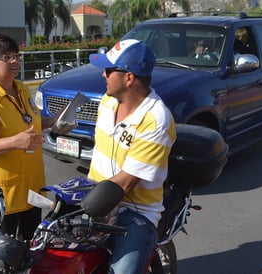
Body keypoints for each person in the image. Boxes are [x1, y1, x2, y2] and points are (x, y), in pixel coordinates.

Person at [88, 39, 176, 274]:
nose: (103, 75)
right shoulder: (108, 102)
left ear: (129, 78)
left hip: (134, 211)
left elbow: (126, 182)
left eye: (108, 70)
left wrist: (87, 205)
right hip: (95, 197)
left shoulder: (155, 119)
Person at [0, 34, 58, 240]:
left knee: (31, 245)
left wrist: (54, 122)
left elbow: (29, 122)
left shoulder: (22, 88)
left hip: (32, 187)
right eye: (7, 57)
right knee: (4, 255)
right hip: (4, 194)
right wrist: (17, 142)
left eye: (16, 55)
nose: (15, 61)